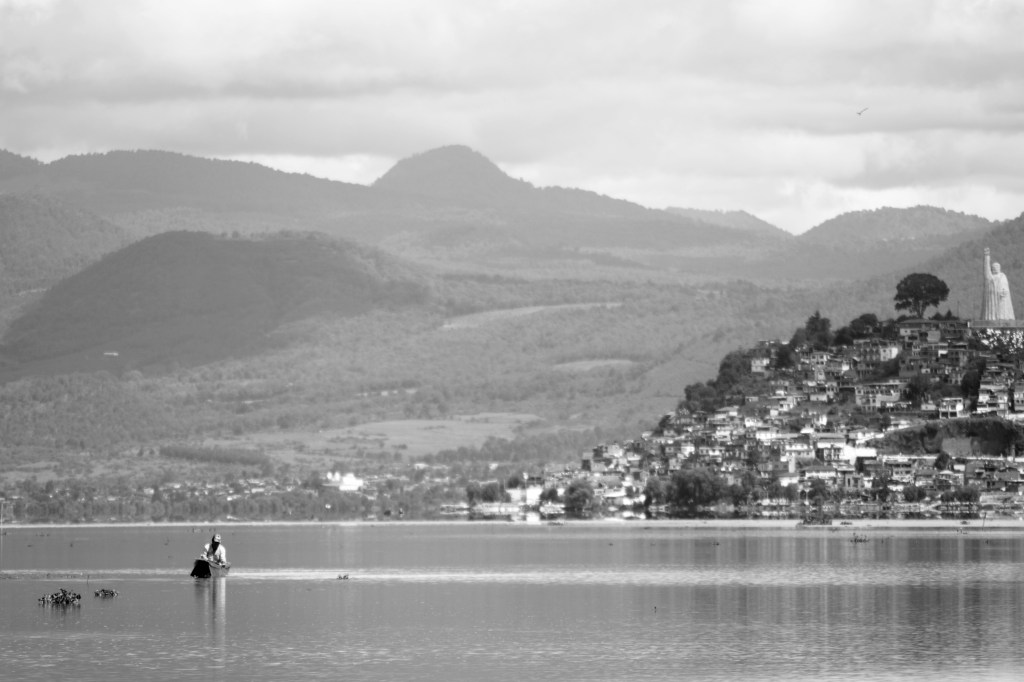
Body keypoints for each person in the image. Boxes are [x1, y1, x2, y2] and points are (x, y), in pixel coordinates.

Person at [983, 247, 1015, 320]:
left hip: (1002, 300)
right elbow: (986, 270)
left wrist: (1004, 292)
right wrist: (986, 257)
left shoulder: (1003, 276)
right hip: (992, 300)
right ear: (992, 268)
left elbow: (1006, 288)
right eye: (994, 267)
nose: (996, 268)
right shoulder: (990, 277)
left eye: (997, 266)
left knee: (1003, 313)